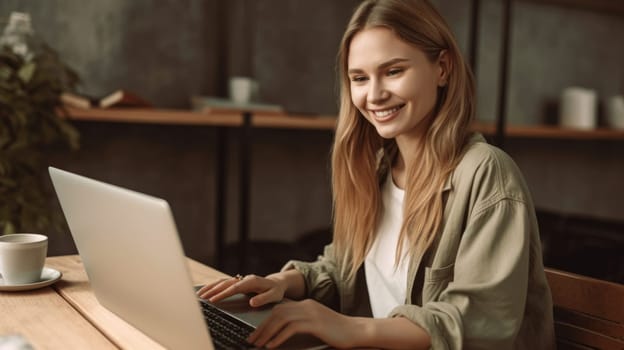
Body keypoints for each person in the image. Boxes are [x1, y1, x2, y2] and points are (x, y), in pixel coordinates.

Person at [198, 0, 555, 348]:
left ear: (442, 68)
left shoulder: (487, 174)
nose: (374, 94)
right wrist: (282, 282)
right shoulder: (378, 169)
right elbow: (344, 270)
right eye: (359, 78)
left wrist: (351, 329)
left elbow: (478, 324)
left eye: (394, 71)